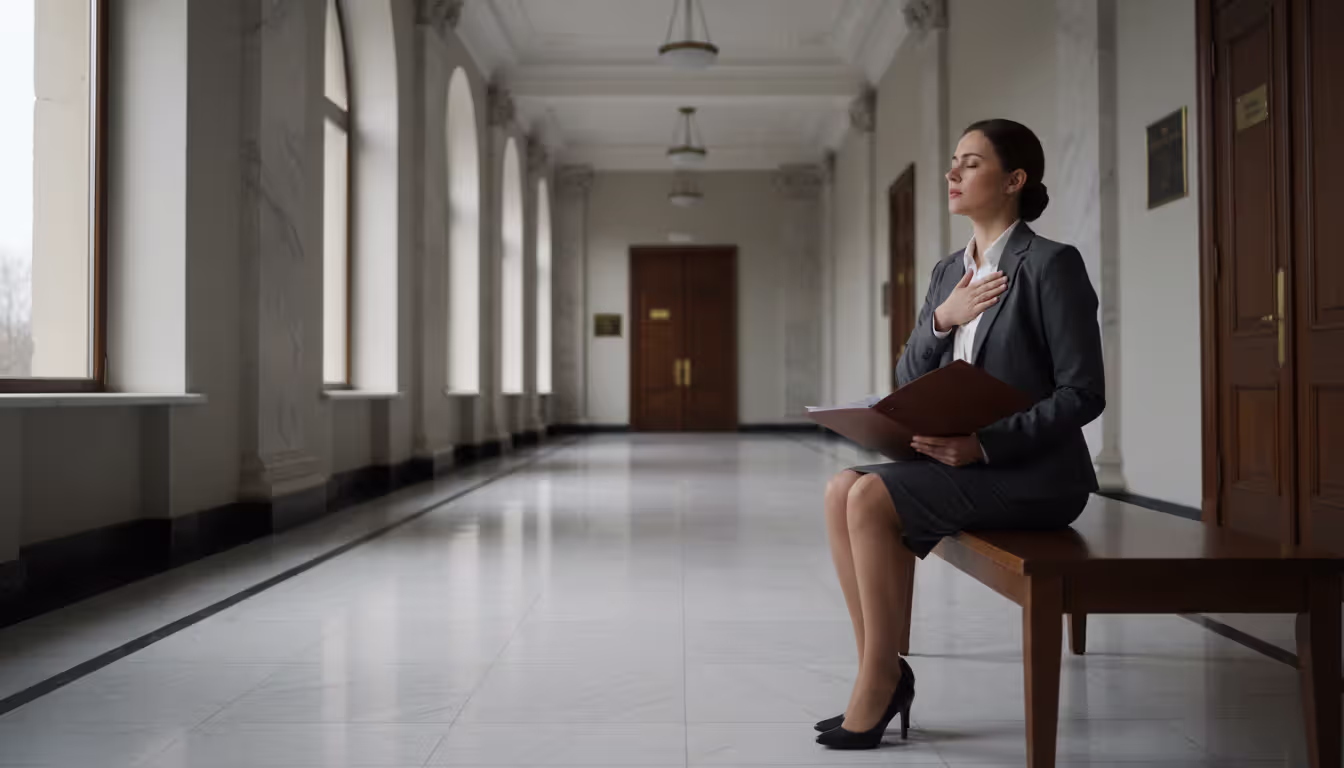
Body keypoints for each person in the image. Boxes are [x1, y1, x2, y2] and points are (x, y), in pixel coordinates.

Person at [815, 119, 1105, 750]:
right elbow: (907, 377)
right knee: (841, 486)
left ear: (1014, 180)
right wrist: (943, 321)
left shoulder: (1052, 264)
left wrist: (986, 445)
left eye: (969, 163)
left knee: (867, 497)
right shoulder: (949, 271)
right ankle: (881, 670)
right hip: (966, 463)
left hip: (1036, 475)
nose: (952, 174)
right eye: (954, 161)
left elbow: (1083, 393)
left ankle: (879, 681)